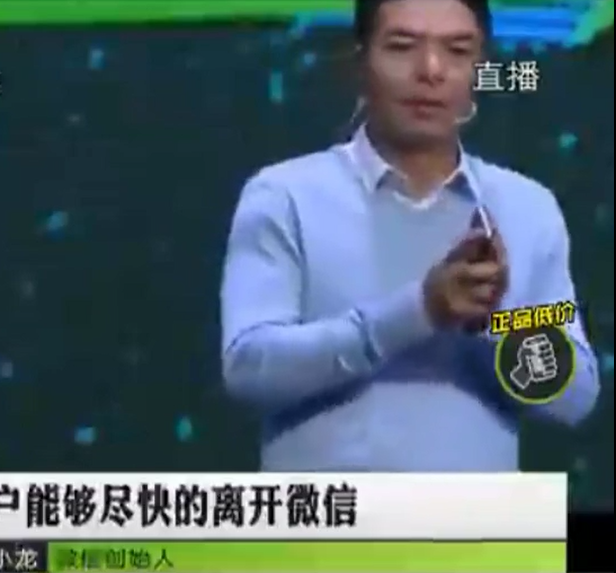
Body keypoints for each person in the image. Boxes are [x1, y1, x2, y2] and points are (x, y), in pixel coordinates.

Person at [220, 0, 600, 471]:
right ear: (359, 63)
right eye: (402, 46)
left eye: (457, 51)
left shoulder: (527, 208)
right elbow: (249, 369)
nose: (431, 70)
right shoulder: (284, 195)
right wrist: (419, 310)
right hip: (331, 517)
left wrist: (497, 323)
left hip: (478, 518)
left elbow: (576, 397)